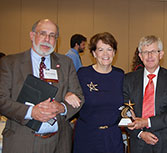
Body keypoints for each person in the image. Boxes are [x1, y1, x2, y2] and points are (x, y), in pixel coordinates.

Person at [0, 19, 83, 153]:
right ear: (32, 36)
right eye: (42, 33)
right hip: (21, 142)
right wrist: (31, 112)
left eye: (52, 35)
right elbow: (1, 99)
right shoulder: (10, 63)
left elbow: (79, 97)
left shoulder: (66, 63)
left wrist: (62, 107)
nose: (47, 39)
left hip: (58, 143)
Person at [123, 35, 167, 153]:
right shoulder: (128, 80)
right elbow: (123, 112)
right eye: (145, 52)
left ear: (161, 54)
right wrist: (140, 133)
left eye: (153, 51)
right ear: (140, 56)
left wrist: (147, 122)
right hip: (140, 144)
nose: (149, 56)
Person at [73, 32, 124, 153]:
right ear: (94, 53)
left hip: (112, 137)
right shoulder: (83, 74)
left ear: (114, 53)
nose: (105, 54)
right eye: (101, 49)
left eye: (109, 49)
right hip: (87, 136)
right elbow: (69, 92)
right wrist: (68, 94)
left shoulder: (120, 75)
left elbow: (126, 103)